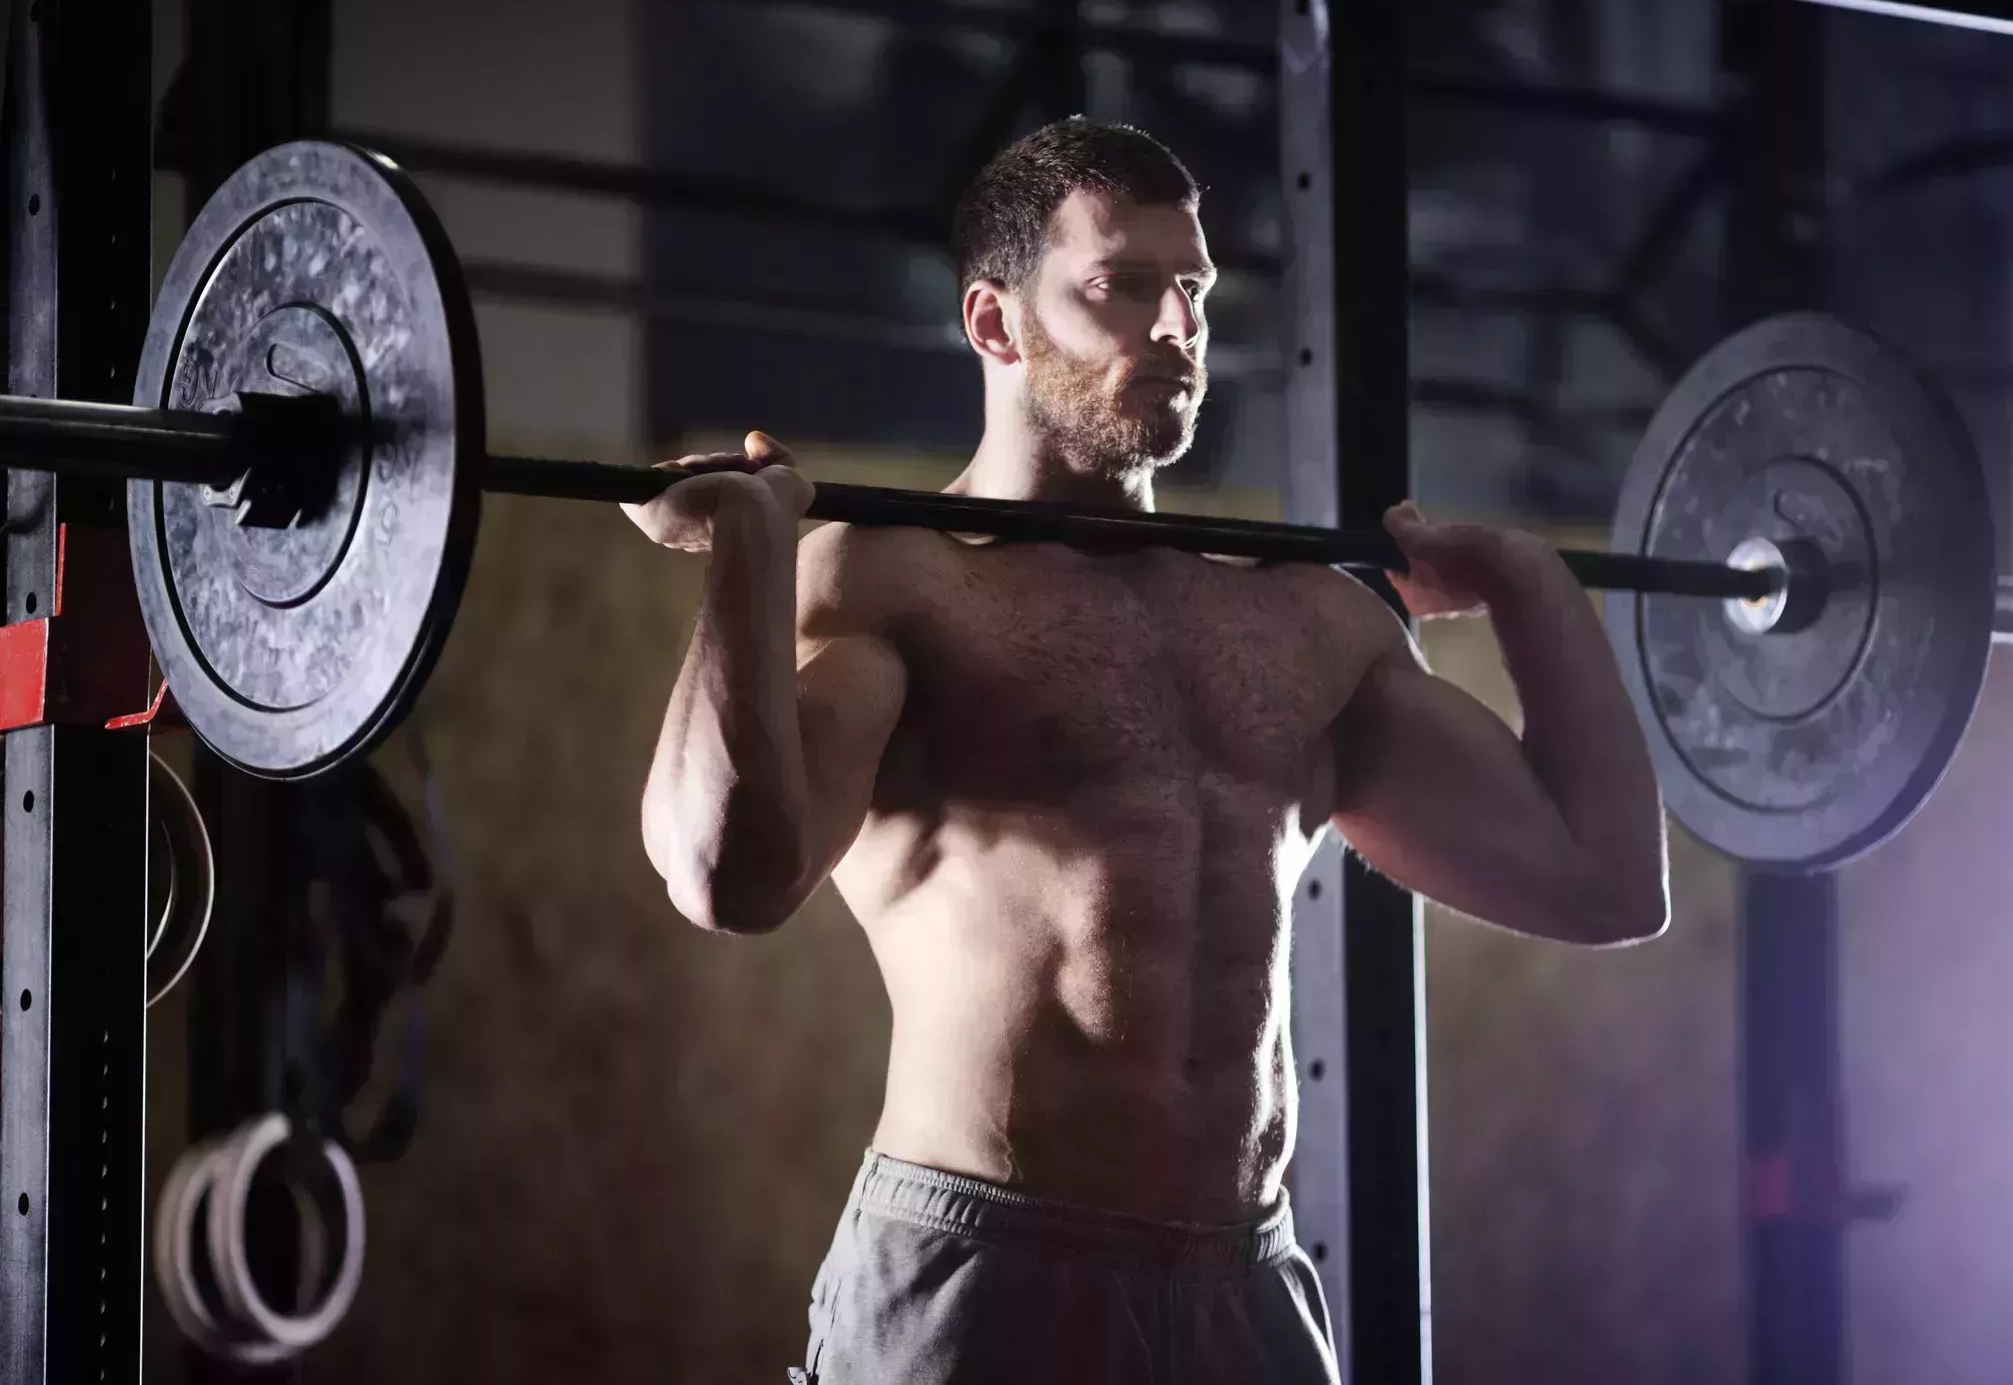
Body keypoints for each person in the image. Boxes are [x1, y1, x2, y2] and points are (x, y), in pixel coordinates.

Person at [623, 118, 1669, 1385]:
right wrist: (747, 553)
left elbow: (1604, 881)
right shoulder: (896, 586)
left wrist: (1525, 585)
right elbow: (726, 877)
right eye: (1123, 285)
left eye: (1195, 290)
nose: (1179, 327)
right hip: (994, 1277)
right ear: (996, 324)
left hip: (1249, 1279)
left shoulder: (1302, 621)